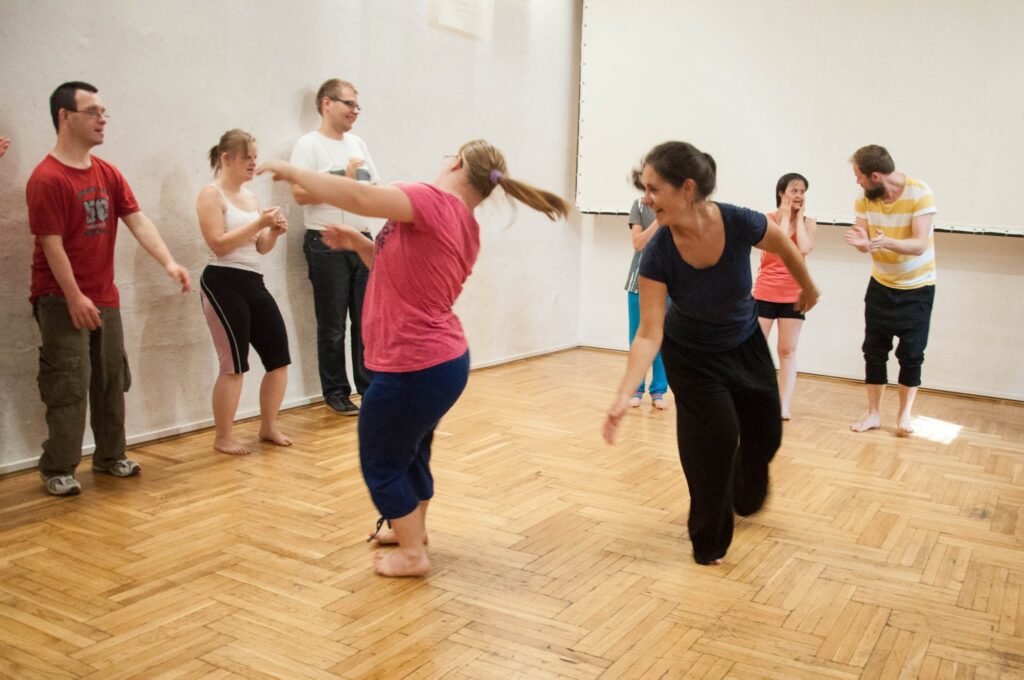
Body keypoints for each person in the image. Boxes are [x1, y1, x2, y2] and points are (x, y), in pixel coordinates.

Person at [258, 139, 570, 577]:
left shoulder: (432, 199)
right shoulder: (465, 224)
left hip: (414, 363)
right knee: (412, 452)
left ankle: (412, 555)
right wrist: (359, 244)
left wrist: (295, 172)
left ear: (456, 162)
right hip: (441, 363)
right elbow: (401, 270)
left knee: (381, 461)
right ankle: (412, 532)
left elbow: (361, 196)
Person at [602, 141, 819, 565]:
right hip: (692, 356)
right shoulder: (658, 253)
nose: (646, 199)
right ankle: (708, 540)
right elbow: (648, 333)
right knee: (714, 443)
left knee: (766, 433)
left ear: (687, 188)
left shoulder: (737, 221)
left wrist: (807, 287)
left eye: (654, 189)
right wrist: (623, 395)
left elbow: (784, 245)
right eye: (644, 189)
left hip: (744, 343)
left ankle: (742, 489)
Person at [27, 81, 191, 497]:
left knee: (110, 379)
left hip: (104, 297)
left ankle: (110, 456)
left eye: (104, 112)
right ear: (65, 116)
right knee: (69, 383)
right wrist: (73, 296)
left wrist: (169, 262)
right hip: (61, 299)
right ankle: (58, 467)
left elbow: (137, 220)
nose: (102, 120)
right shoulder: (47, 178)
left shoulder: (108, 173)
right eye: (92, 112)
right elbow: (51, 244)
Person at [196, 129, 292, 456]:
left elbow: (260, 247)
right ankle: (223, 436)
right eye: (247, 158)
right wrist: (259, 224)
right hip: (222, 281)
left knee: (279, 357)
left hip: (252, 280)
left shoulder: (250, 198)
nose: (253, 164)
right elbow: (218, 245)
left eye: (255, 158)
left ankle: (269, 426)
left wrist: (273, 232)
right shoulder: (211, 194)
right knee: (234, 365)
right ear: (226, 158)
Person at [290, 78, 379, 416]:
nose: (355, 111)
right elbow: (300, 193)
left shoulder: (358, 143)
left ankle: (369, 388)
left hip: (361, 237)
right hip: (326, 240)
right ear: (327, 104)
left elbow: (373, 186)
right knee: (332, 324)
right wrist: (342, 177)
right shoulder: (308, 145)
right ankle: (336, 392)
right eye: (349, 104)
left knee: (366, 321)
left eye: (357, 105)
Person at [844, 144, 937, 436]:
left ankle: (904, 415)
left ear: (875, 176)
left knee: (911, 354)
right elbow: (863, 237)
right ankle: (873, 413)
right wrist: (862, 243)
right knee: (873, 351)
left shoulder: (920, 192)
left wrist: (885, 242)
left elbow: (919, 244)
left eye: (859, 176)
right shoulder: (865, 197)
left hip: (918, 288)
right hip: (881, 285)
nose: (857, 181)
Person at [753, 173, 817, 420]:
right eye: (794, 190)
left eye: (802, 191)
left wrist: (798, 218)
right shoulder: (768, 219)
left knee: (787, 351)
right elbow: (776, 244)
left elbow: (804, 248)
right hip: (765, 292)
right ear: (781, 193)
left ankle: (783, 405)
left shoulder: (809, 222)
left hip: (794, 295)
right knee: (756, 349)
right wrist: (785, 215)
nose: (799, 195)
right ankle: (757, 399)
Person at [624, 196, 668, 410]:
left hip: (669, 284)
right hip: (638, 283)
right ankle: (635, 390)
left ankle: (659, 391)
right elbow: (638, 243)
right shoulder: (639, 205)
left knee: (663, 339)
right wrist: (659, 220)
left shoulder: (678, 206)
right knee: (637, 338)